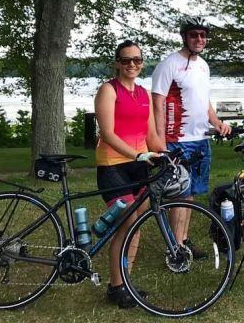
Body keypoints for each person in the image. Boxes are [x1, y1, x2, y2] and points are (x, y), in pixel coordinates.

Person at [152, 16, 232, 257]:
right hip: (177, 140)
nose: (199, 39)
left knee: (192, 192)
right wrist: (159, 142)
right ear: (184, 37)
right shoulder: (169, 64)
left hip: (200, 138)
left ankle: (183, 240)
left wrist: (216, 122)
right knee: (179, 193)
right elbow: (158, 103)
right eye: (194, 35)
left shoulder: (203, 65)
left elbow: (203, 101)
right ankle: (176, 247)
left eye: (202, 35)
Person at [94, 40, 165, 308]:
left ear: (142, 62)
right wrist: (136, 155)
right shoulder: (108, 91)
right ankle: (115, 288)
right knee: (126, 224)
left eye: (136, 60)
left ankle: (125, 282)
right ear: (117, 63)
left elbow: (150, 135)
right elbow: (108, 133)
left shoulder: (144, 94)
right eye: (126, 60)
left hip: (139, 164)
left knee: (136, 227)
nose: (132, 64)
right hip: (113, 166)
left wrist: (166, 153)